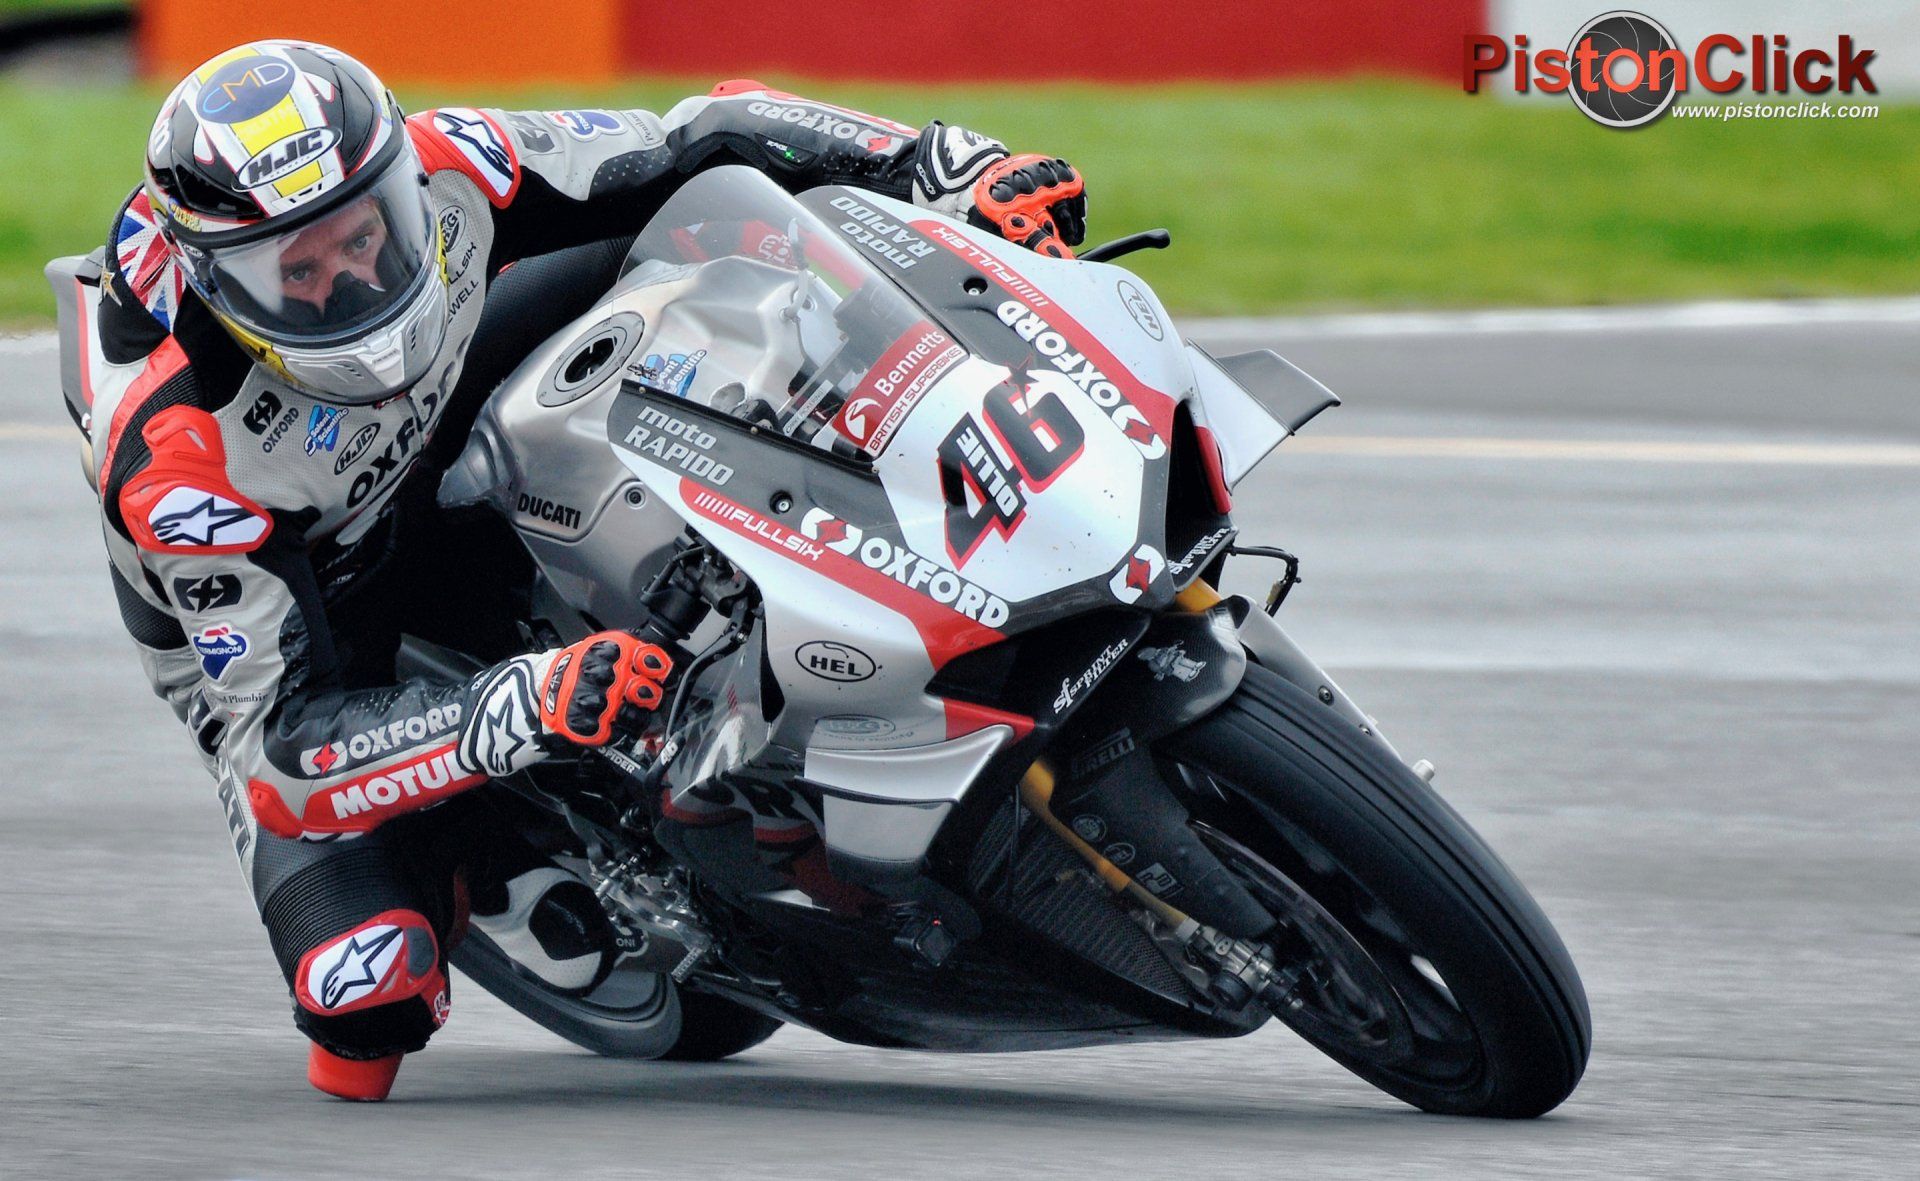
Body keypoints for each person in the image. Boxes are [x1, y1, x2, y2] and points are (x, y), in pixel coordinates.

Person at [83, 39, 1088, 1100]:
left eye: (365, 235)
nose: (350, 280)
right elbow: (287, 749)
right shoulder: (179, 457)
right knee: (365, 995)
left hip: (450, 408)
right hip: (324, 601)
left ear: (396, 187)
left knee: (719, 238)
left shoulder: (451, 162)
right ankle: (494, 847)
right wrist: (513, 708)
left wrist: (942, 166)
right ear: (219, 280)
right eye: (301, 271)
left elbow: (704, 132)